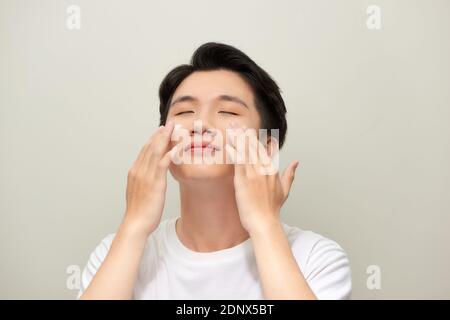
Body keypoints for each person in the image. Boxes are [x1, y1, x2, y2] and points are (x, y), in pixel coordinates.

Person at [78, 42, 351, 300]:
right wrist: (134, 225)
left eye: (228, 112)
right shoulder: (116, 253)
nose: (200, 124)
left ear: (267, 149)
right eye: (184, 112)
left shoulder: (315, 258)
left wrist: (265, 224)